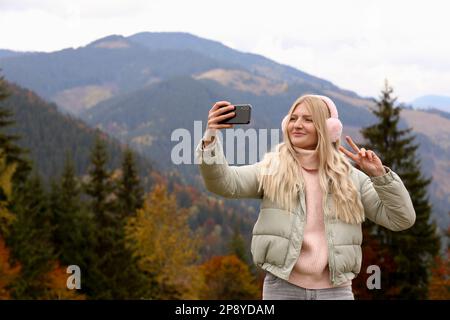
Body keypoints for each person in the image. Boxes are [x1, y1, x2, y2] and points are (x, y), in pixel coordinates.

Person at [195, 95, 416, 300]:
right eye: (293, 118)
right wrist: (211, 137)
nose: (297, 124)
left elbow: (402, 219)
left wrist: (380, 176)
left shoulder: (352, 178)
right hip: (281, 288)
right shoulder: (272, 169)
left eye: (308, 119)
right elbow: (224, 184)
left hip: (336, 292)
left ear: (328, 130)